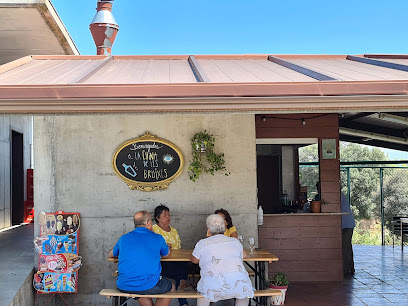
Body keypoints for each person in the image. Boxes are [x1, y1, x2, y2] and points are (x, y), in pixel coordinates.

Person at [109, 211, 175, 306]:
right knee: (171, 286)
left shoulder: (124, 238)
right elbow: (166, 254)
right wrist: (168, 247)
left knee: (141, 289)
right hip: (148, 284)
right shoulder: (157, 238)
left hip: (124, 285)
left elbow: (112, 254)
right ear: (148, 223)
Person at [191, 214, 254, 306]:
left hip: (212, 288)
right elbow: (244, 255)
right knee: (244, 289)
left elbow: (194, 260)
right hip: (239, 285)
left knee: (204, 291)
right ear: (224, 229)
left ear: (208, 231)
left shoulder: (202, 243)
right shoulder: (235, 242)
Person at [153, 205, 189, 306]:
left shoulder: (173, 230)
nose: (168, 217)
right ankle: (183, 299)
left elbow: (179, 249)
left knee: (185, 262)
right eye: (164, 215)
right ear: (157, 218)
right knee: (180, 273)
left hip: (177, 262)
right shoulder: (154, 230)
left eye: (168, 214)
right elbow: (151, 249)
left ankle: (182, 287)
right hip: (163, 263)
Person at [341, 192, 356, 275]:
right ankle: (351, 267)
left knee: (345, 247)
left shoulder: (337, 195)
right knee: (347, 246)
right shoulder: (340, 194)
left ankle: (347, 269)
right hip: (348, 224)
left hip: (346, 224)